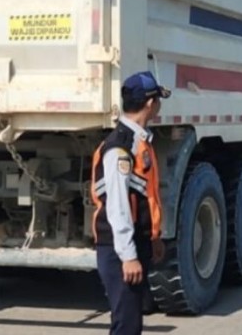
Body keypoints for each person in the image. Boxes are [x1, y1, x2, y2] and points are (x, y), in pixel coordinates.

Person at [91, 71, 168, 335]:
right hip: (118, 249)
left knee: (131, 321)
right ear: (150, 103)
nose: (159, 106)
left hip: (133, 244)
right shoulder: (120, 149)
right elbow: (118, 206)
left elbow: (143, 197)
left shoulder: (137, 142)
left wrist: (153, 238)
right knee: (126, 325)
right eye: (158, 100)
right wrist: (129, 256)